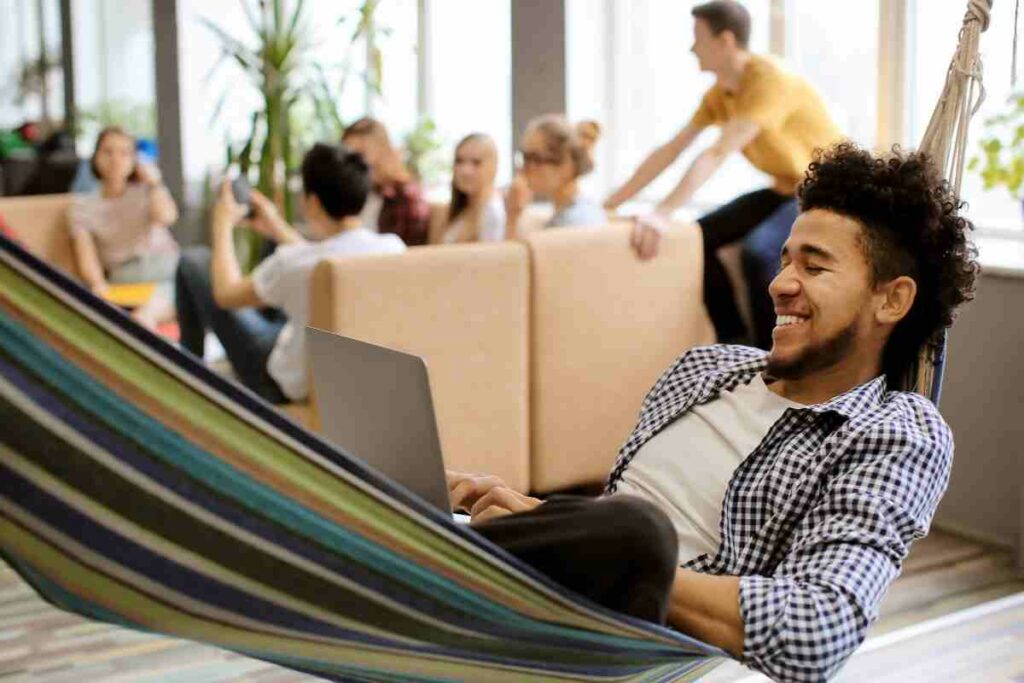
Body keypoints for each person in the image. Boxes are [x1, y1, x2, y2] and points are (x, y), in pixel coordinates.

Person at [448, 142, 979, 681]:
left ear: (891, 300)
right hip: (547, 599)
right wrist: (541, 521)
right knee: (429, 482)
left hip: (630, 646)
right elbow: (605, 528)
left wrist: (626, 564)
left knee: (640, 533)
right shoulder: (705, 368)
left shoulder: (898, 431)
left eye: (814, 267)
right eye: (785, 261)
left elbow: (822, 626)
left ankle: (446, 551)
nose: (779, 285)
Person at [605, 0, 843, 349]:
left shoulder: (769, 81)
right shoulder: (722, 94)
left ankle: (774, 355)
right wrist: (608, 205)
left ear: (725, 41)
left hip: (826, 193)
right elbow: (671, 150)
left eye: (697, 38)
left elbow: (717, 153)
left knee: (760, 253)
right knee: (698, 236)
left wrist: (661, 213)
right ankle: (733, 343)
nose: (691, 48)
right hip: (785, 189)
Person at [174, 143, 405, 404]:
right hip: (344, 371)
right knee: (277, 265)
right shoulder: (392, 248)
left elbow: (225, 294)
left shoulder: (294, 264)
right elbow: (320, 255)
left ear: (313, 202)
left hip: (280, 382)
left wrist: (222, 224)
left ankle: (187, 378)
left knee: (193, 262)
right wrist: (275, 225)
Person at [68, 126, 180, 329]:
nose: (115, 159)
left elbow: (166, 217)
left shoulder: (147, 191)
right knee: (152, 308)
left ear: (134, 160)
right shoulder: (82, 207)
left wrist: (155, 183)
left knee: (180, 290)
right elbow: (87, 257)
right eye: (107, 152)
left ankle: (147, 316)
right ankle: (145, 318)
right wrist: (97, 286)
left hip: (166, 270)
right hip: (125, 279)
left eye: (124, 153)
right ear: (95, 157)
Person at [505, 115, 605, 235]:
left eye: (534, 158)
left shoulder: (575, 222)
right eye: (524, 156)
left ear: (566, 167)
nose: (523, 168)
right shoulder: (567, 213)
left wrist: (512, 218)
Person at [341, 117, 431, 246]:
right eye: (347, 157)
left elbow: (407, 254)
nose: (352, 165)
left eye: (360, 155)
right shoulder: (353, 193)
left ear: (382, 151)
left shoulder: (407, 197)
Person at [439, 133, 506, 244]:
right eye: (459, 161)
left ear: (494, 165)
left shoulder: (492, 213)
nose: (465, 171)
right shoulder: (462, 208)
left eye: (476, 162)